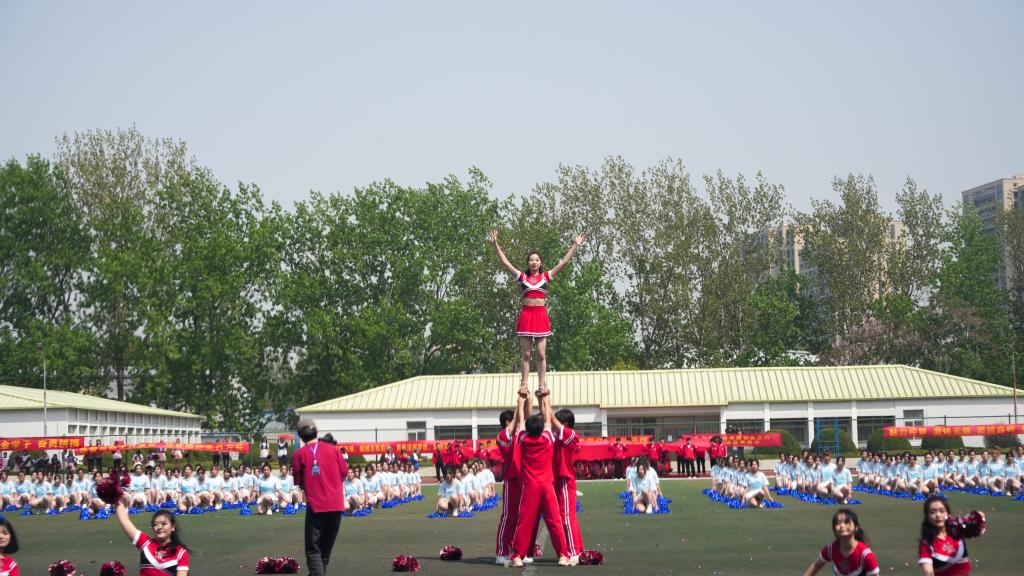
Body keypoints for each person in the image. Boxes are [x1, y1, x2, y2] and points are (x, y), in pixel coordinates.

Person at [489, 229, 585, 392]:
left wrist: (575, 244)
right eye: (531, 260)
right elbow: (506, 263)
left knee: (541, 354)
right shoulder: (523, 277)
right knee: (526, 354)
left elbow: (563, 263)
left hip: (540, 316)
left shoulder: (546, 277)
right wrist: (496, 244)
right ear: (528, 263)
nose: (534, 262)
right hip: (527, 316)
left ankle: (541, 385)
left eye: (537, 260)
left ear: (540, 263)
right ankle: (524, 384)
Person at [509, 387, 571, 567]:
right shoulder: (547, 439)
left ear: (528, 429)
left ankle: (517, 556)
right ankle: (563, 555)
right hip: (547, 485)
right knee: (554, 521)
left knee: (525, 521)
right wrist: (544, 399)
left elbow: (521, 422)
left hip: (530, 486)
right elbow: (548, 421)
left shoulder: (523, 439)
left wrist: (521, 402)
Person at [292, 416, 348, 576]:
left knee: (313, 548)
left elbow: (299, 482)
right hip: (336, 505)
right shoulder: (333, 450)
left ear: (300, 435)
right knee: (325, 548)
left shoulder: (299, 454)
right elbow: (344, 472)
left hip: (317, 506)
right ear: (316, 431)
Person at [114, 500, 189, 576]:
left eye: (164, 524)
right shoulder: (145, 543)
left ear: (173, 527)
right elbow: (124, 521)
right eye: (155, 524)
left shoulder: (180, 552)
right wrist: (115, 497)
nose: (159, 527)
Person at [918, 495, 986, 575]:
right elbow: (928, 572)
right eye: (932, 512)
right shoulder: (926, 544)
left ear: (947, 513)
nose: (938, 515)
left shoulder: (958, 531)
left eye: (942, 511)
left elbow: (979, 522)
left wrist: (975, 518)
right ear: (927, 516)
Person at [801, 508, 878, 576]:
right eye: (838, 523)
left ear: (856, 527)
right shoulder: (831, 549)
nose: (842, 526)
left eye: (846, 522)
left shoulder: (865, 554)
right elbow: (816, 565)